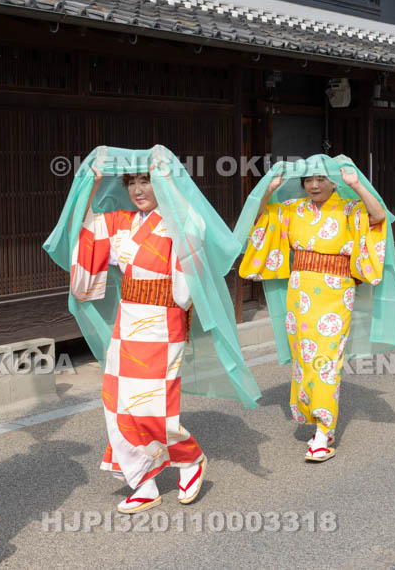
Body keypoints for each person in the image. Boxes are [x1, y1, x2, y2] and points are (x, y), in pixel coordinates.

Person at [43, 146, 261, 514]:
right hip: (128, 323)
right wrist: (92, 186)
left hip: (164, 322)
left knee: (150, 406)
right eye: (133, 182)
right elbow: (89, 232)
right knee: (116, 402)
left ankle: (189, 458)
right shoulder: (124, 223)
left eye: (147, 180)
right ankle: (142, 480)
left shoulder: (181, 219)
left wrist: (168, 180)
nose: (138, 189)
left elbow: (194, 237)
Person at [237, 155, 395, 462]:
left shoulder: (350, 207)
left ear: (334, 182)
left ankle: (324, 432)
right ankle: (312, 415)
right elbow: (260, 220)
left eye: (320, 179)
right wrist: (269, 190)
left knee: (326, 359)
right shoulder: (293, 209)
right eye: (308, 180)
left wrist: (357, 185)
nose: (313, 185)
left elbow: (378, 218)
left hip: (335, 291)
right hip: (299, 291)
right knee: (304, 356)